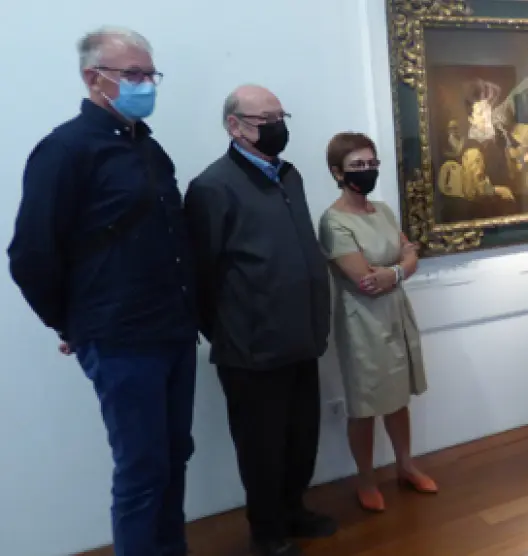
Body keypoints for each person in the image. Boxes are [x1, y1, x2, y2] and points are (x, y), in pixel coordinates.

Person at [7, 26, 197, 556]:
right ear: (94, 78)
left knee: (174, 455)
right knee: (141, 468)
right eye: (133, 74)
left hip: (174, 329)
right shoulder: (64, 150)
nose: (146, 84)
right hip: (120, 338)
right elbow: (29, 254)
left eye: (150, 74)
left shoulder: (149, 148)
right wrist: (71, 323)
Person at [183, 85, 335, 556]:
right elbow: (199, 274)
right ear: (235, 126)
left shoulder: (289, 175)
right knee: (261, 446)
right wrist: (228, 331)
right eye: (265, 119)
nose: (277, 126)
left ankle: (293, 510)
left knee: (301, 437)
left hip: (301, 336)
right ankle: (266, 533)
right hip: (251, 348)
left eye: (280, 116)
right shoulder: (212, 187)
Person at [319, 132, 437, 513]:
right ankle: (366, 479)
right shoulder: (333, 221)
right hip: (362, 323)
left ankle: (405, 466)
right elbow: (363, 280)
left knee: (398, 398)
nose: (367, 170)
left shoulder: (383, 211)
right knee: (365, 403)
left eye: (371, 163)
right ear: (338, 172)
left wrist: (395, 272)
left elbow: (411, 255)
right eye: (357, 165)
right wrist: (400, 266)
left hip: (395, 312)